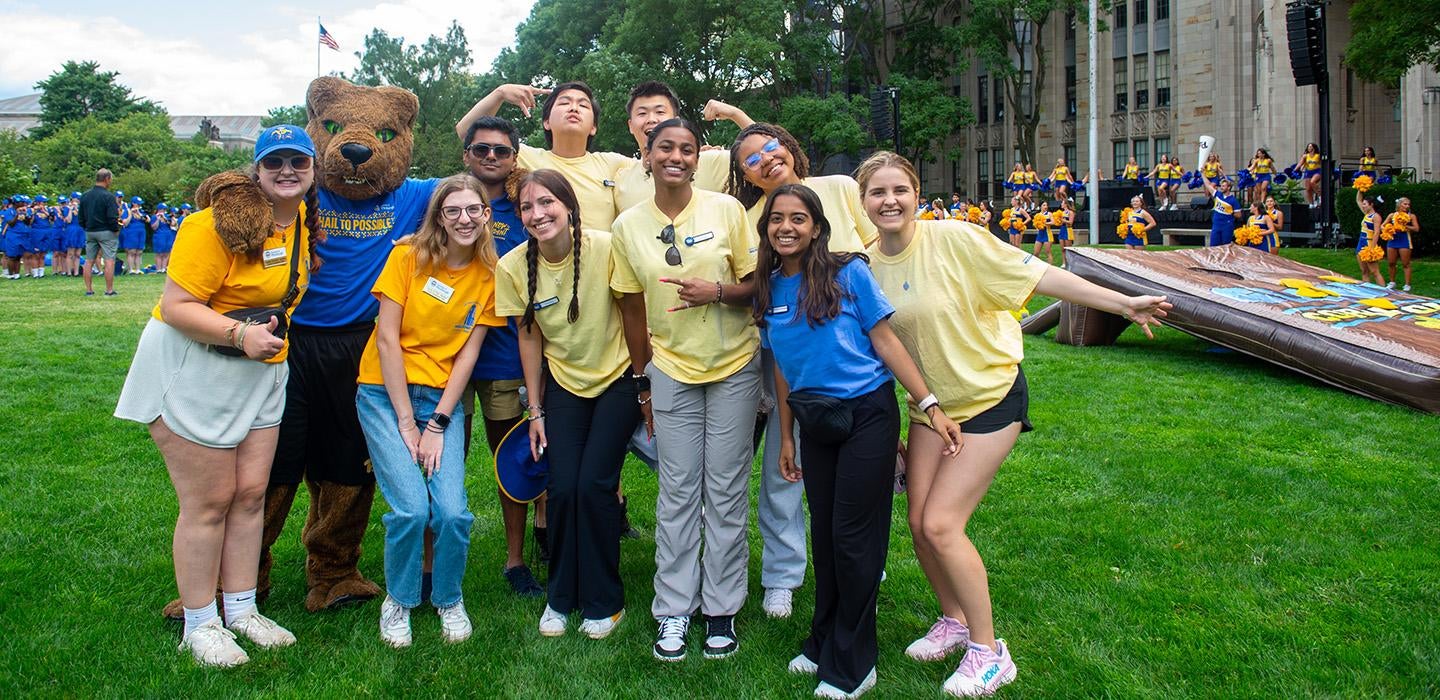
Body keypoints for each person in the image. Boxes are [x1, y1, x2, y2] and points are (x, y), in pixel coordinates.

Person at [854, 151, 1170, 698]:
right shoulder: (864, 265)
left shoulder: (955, 239)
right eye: (877, 193)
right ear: (862, 203)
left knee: (941, 526)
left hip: (989, 394)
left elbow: (1044, 275)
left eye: (899, 189)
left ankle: (989, 651)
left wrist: (1123, 305)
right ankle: (952, 619)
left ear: (916, 192)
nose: (889, 201)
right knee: (917, 521)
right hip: (932, 407)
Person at [114, 125, 319, 667]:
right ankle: (201, 622)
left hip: (260, 368)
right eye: (273, 163)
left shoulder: (300, 217)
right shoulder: (211, 224)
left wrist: (257, 343)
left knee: (252, 494)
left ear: (313, 169)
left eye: (298, 161)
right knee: (208, 501)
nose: (287, 172)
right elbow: (179, 304)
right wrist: (239, 335)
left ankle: (242, 608)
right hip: (197, 364)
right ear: (256, 170)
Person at [755, 183, 960, 698]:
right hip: (813, 420)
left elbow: (885, 340)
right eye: (776, 219)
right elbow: (781, 366)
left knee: (854, 537)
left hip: (867, 413)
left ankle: (854, 662)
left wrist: (929, 404)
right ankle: (824, 637)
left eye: (798, 218)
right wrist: (786, 435)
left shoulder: (849, 273)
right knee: (824, 535)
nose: (786, 227)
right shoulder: (768, 287)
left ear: (817, 227)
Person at [610, 118, 760, 661]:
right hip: (670, 369)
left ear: (698, 159)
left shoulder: (727, 211)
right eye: (665, 148)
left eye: (687, 149)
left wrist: (716, 291)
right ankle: (673, 608)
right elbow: (631, 308)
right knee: (677, 493)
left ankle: (720, 608)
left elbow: (756, 285)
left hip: (734, 367)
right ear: (646, 156)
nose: (677, 156)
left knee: (724, 490)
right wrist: (643, 381)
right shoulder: (628, 226)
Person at [728, 121, 879, 619]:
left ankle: (858, 560)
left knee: (862, 457)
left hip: (853, 340)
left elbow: (878, 247)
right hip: (786, 354)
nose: (766, 158)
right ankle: (784, 574)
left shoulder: (837, 188)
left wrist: (732, 113)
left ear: (789, 145)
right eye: (752, 158)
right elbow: (762, 286)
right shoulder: (749, 219)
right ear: (746, 176)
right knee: (784, 466)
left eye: (771, 146)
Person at [357, 174, 502, 648]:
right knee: (412, 510)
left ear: (486, 215)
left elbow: (469, 355)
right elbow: (386, 338)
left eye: (473, 210)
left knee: (455, 514)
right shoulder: (408, 257)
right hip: (384, 393)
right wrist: (405, 420)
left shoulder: (488, 275)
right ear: (439, 216)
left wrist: (438, 423)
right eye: (452, 210)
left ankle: (448, 597)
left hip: (441, 400)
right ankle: (398, 599)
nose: (464, 219)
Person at [497, 169, 637, 639]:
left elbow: (632, 313)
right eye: (527, 208)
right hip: (563, 386)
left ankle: (605, 601)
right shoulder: (514, 266)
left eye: (547, 203)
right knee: (562, 487)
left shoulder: (604, 246)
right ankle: (561, 596)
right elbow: (529, 338)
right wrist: (534, 410)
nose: (537, 214)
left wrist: (643, 384)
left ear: (569, 205)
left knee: (595, 484)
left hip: (618, 378)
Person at [458, 114, 547, 595]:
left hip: (504, 356)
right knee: (442, 458)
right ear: (466, 154)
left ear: (515, 157)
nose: (491, 157)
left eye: (501, 151)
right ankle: (434, 556)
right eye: (481, 149)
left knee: (511, 457)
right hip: (444, 357)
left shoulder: (525, 208)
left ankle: (516, 560)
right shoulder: (444, 203)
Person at [1384, 197, 1419, 292]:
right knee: (1391, 263)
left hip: (1404, 241)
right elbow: (1382, 225)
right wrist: (1388, 228)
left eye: (1408, 204)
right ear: (1399, 204)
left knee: (1406, 263)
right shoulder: (1392, 215)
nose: (1407, 206)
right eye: (1405, 204)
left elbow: (1416, 228)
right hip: (1393, 240)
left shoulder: (1411, 216)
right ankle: (1392, 282)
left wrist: (1405, 226)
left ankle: (1407, 284)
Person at [1354, 191, 1386, 286]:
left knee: (1375, 271)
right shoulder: (1366, 214)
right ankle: (1366, 291)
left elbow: (1376, 232)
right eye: (1363, 204)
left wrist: (1372, 248)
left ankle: (1384, 291)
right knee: (1364, 271)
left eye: (1365, 204)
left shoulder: (1376, 216)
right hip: (1361, 244)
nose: (1363, 206)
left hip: (1369, 244)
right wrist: (1360, 189)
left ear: (1371, 205)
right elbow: (1358, 200)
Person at [1202, 177, 1240, 247]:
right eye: (1221, 186)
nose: (1221, 188)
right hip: (1216, 225)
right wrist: (1202, 174)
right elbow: (1208, 185)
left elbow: (1238, 215)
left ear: (1228, 188)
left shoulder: (1234, 200)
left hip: (1227, 225)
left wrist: (1230, 212)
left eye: (1223, 186)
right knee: (1213, 246)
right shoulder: (1218, 195)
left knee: (1226, 246)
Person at [120, 197, 148, 275]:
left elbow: (147, 220)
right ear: (133, 203)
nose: (139, 205)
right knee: (131, 251)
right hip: (131, 232)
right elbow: (125, 223)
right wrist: (130, 214)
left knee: (139, 251)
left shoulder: (141, 211)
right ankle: (131, 269)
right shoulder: (127, 211)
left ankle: (138, 269)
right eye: (138, 204)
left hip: (141, 232)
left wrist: (138, 213)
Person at [151, 204, 176, 272]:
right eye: (163, 209)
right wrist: (158, 219)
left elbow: (173, 224)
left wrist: (165, 218)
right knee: (159, 253)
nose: (164, 211)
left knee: (166, 252)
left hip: (168, 235)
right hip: (159, 235)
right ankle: (158, 268)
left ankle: (164, 268)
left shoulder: (167, 217)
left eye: (165, 209)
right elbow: (154, 227)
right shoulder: (154, 217)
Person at [1298, 142, 1322, 209]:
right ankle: (1311, 203)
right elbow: (1301, 163)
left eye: (1311, 146)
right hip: (1308, 171)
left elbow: (1322, 163)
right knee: (1308, 189)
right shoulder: (1305, 156)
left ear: (1314, 148)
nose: (1309, 148)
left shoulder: (1318, 155)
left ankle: (1320, 196)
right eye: (1308, 147)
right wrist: (1296, 169)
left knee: (1312, 182)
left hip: (1317, 170)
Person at [1032, 201, 1056, 265]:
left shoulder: (1049, 214)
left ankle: (1050, 267)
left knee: (1047, 252)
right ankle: (1039, 266)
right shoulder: (1038, 215)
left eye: (1046, 205)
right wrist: (1037, 226)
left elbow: (1053, 222)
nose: (1046, 207)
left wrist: (1045, 223)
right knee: (1036, 253)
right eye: (1044, 205)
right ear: (1040, 206)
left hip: (1047, 234)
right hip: (1040, 234)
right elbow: (1035, 224)